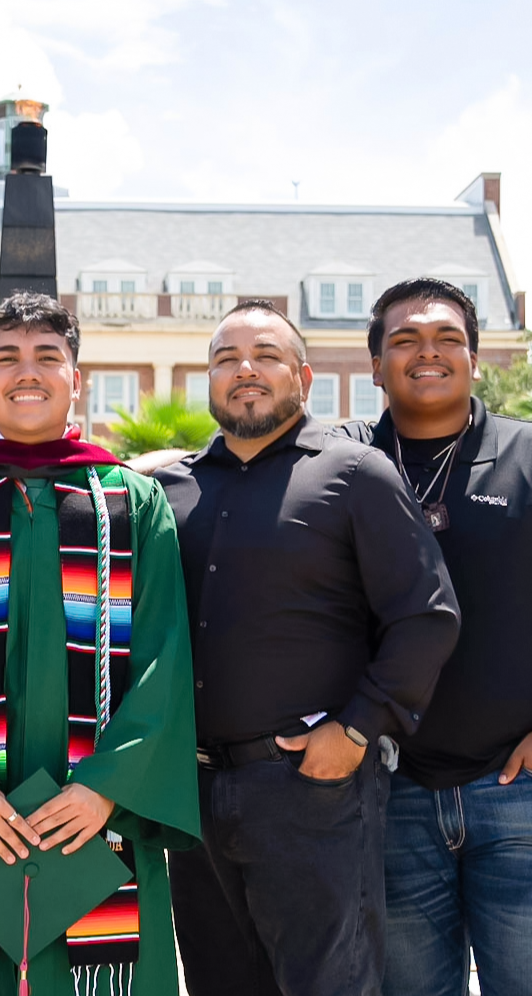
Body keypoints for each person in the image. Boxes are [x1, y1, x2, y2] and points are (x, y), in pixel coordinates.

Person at [0, 292, 200, 996]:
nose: (26, 373)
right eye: (6, 358)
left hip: (94, 819)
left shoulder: (128, 501)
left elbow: (164, 660)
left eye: (46, 357)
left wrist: (103, 790)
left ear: (75, 377)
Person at [341, 278, 532, 996]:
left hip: (526, 796)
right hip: (390, 797)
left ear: (474, 359)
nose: (428, 352)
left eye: (447, 338)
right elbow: (232, 461)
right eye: (405, 340)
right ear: (375, 364)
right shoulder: (340, 465)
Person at [154, 299, 461, 996]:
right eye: (226, 359)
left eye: (264, 355)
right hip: (193, 795)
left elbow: (427, 616)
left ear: (304, 375)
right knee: (217, 983)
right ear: (208, 380)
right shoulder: (167, 491)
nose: (245, 371)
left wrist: (356, 728)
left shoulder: (356, 474)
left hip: (310, 790)